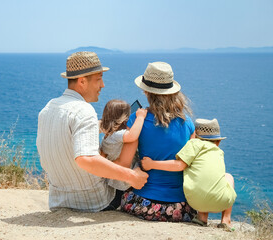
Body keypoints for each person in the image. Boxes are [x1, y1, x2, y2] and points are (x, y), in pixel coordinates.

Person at [36, 51, 148, 212]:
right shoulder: (84, 110)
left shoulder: (48, 108)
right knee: (133, 149)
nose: (102, 85)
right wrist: (132, 176)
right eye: (99, 79)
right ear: (82, 81)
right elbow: (86, 159)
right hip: (94, 201)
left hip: (59, 200)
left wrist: (104, 127)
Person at [120, 61, 197, 222]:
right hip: (181, 208)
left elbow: (124, 164)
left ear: (145, 91)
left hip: (144, 204)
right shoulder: (188, 123)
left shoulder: (137, 119)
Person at [141, 118, 237, 230]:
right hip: (222, 203)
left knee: (201, 178)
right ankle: (226, 219)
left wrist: (152, 164)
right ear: (218, 142)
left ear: (195, 135)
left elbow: (179, 165)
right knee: (228, 176)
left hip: (195, 202)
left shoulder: (193, 143)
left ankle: (202, 217)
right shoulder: (219, 152)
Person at [99, 99, 148, 191]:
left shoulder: (108, 134)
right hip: (123, 180)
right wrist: (140, 117)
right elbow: (132, 135)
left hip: (114, 176)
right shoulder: (117, 135)